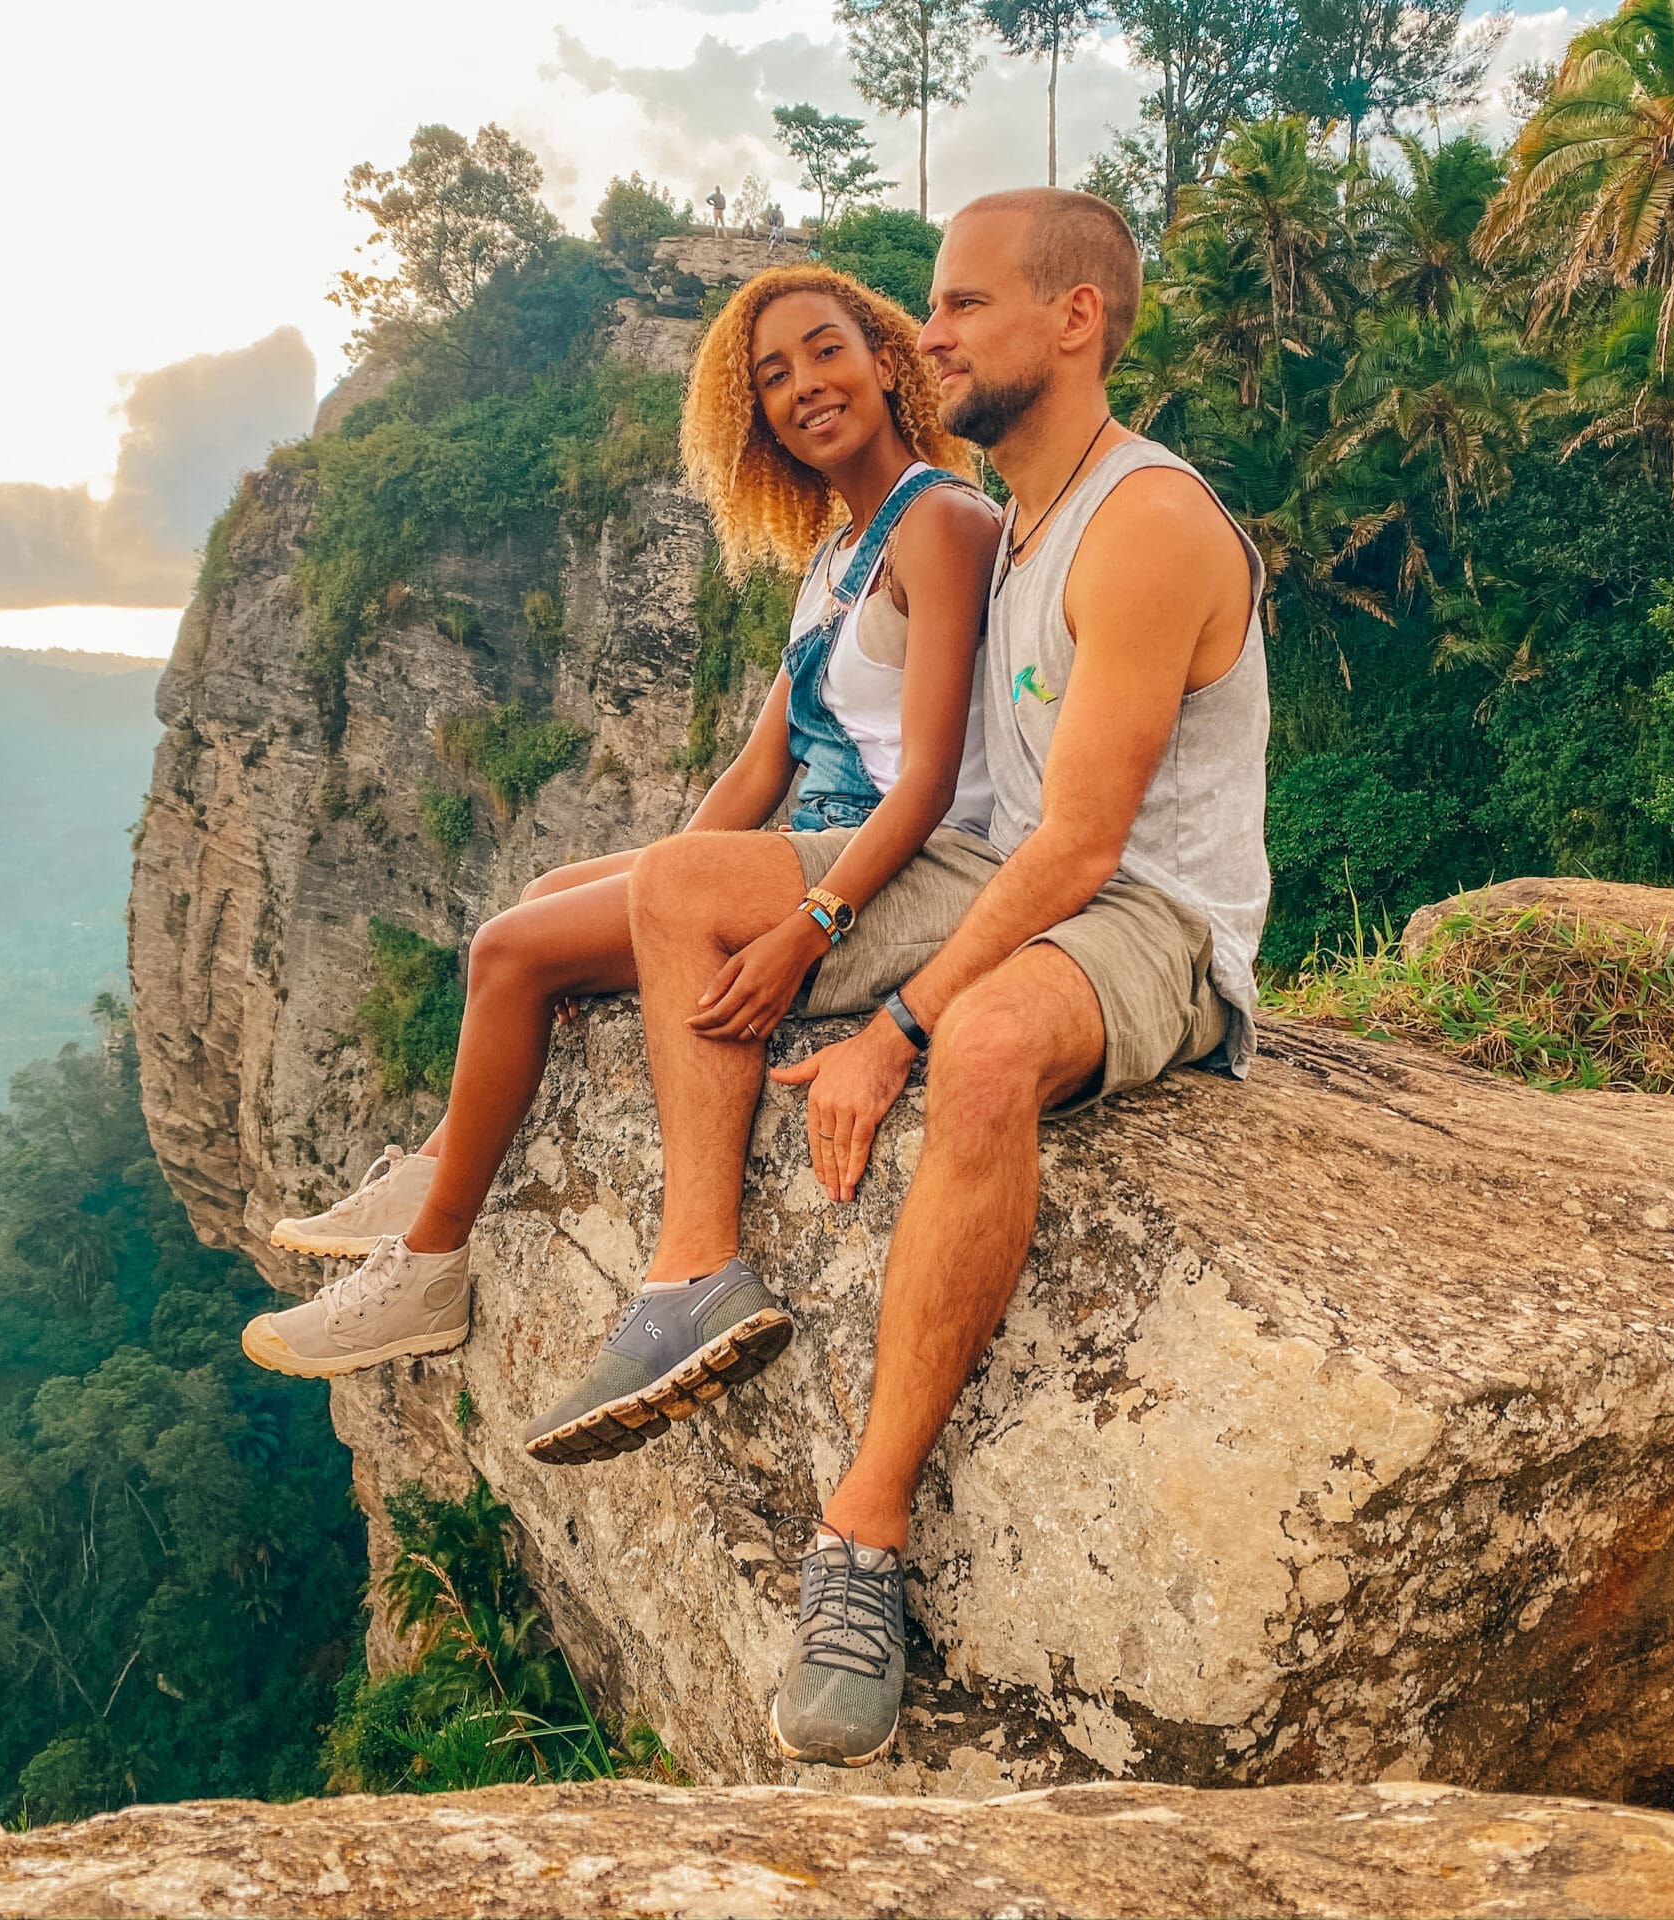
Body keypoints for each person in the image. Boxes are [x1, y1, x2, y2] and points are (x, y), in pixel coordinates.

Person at [527, 188, 1269, 1770]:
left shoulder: (1142, 524)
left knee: (989, 1051)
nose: (926, 335)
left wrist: (899, 1032)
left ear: (1075, 319)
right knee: (684, 886)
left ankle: (857, 1544)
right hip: (1003, 874)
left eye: (962, 306)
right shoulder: (993, 520)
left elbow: (1077, 848)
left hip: (1150, 916)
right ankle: (697, 1273)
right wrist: (802, 914)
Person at [240, 263, 1003, 1382]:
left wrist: (810, 924)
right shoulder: (837, 553)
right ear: (759, 421)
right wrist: (660, 889)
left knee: (508, 951)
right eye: (773, 377)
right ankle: (445, 1157)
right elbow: (758, 764)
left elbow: (932, 781)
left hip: (901, 864)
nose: (806, 388)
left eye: (826, 351)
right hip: (814, 847)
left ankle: (430, 1263)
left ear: (887, 362)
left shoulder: (939, 522)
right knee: (544, 902)